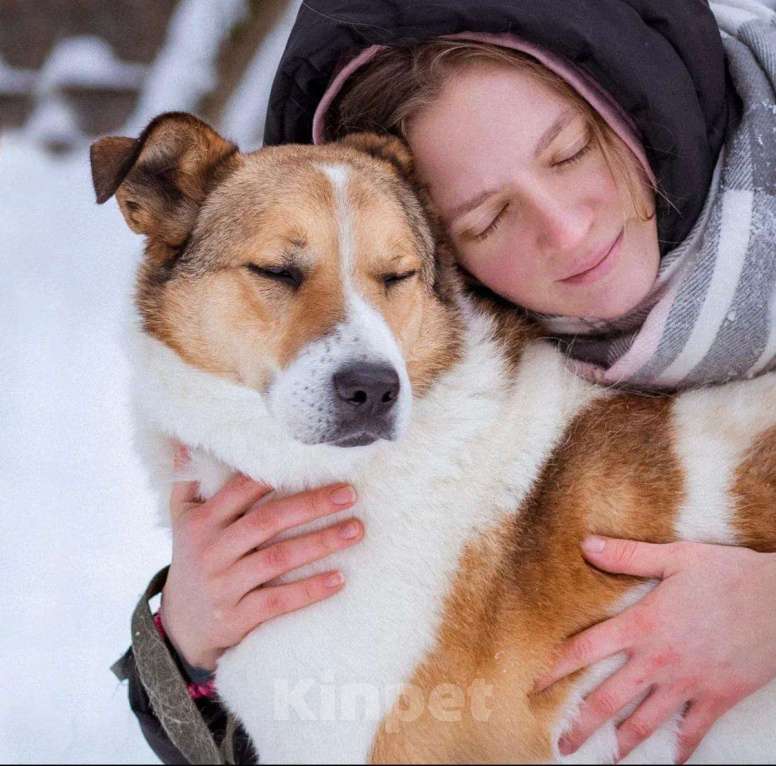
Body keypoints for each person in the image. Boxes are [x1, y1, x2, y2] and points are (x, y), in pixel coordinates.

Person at [117, 1, 776, 763]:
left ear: (633, 107)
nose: (565, 229)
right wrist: (185, 653)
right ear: (452, 260)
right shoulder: (492, 378)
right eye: (486, 219)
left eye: (568, 153)